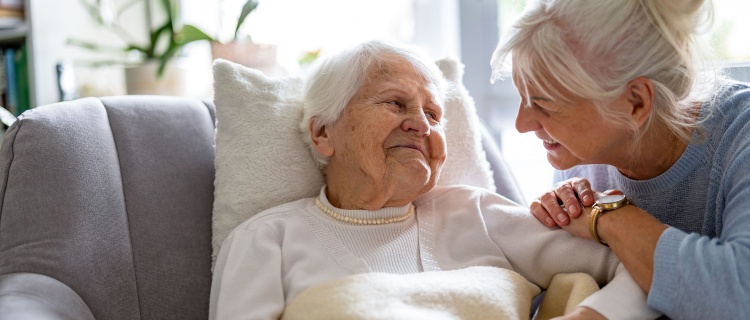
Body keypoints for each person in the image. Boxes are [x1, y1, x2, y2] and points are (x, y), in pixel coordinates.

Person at [209, 40, 657, 320]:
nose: (422, 126)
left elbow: (643, 272)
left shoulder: (475, 212)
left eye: (433, 113)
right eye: (395, 104)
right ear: (323, 133)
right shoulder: (268, 238)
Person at [490, 0, 750, 318]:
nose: (521, 124)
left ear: (635, 103)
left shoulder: (741, 137)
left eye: (543, 104)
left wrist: (608, 215)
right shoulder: (582, 157)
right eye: (522, 96)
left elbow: (739, 294)